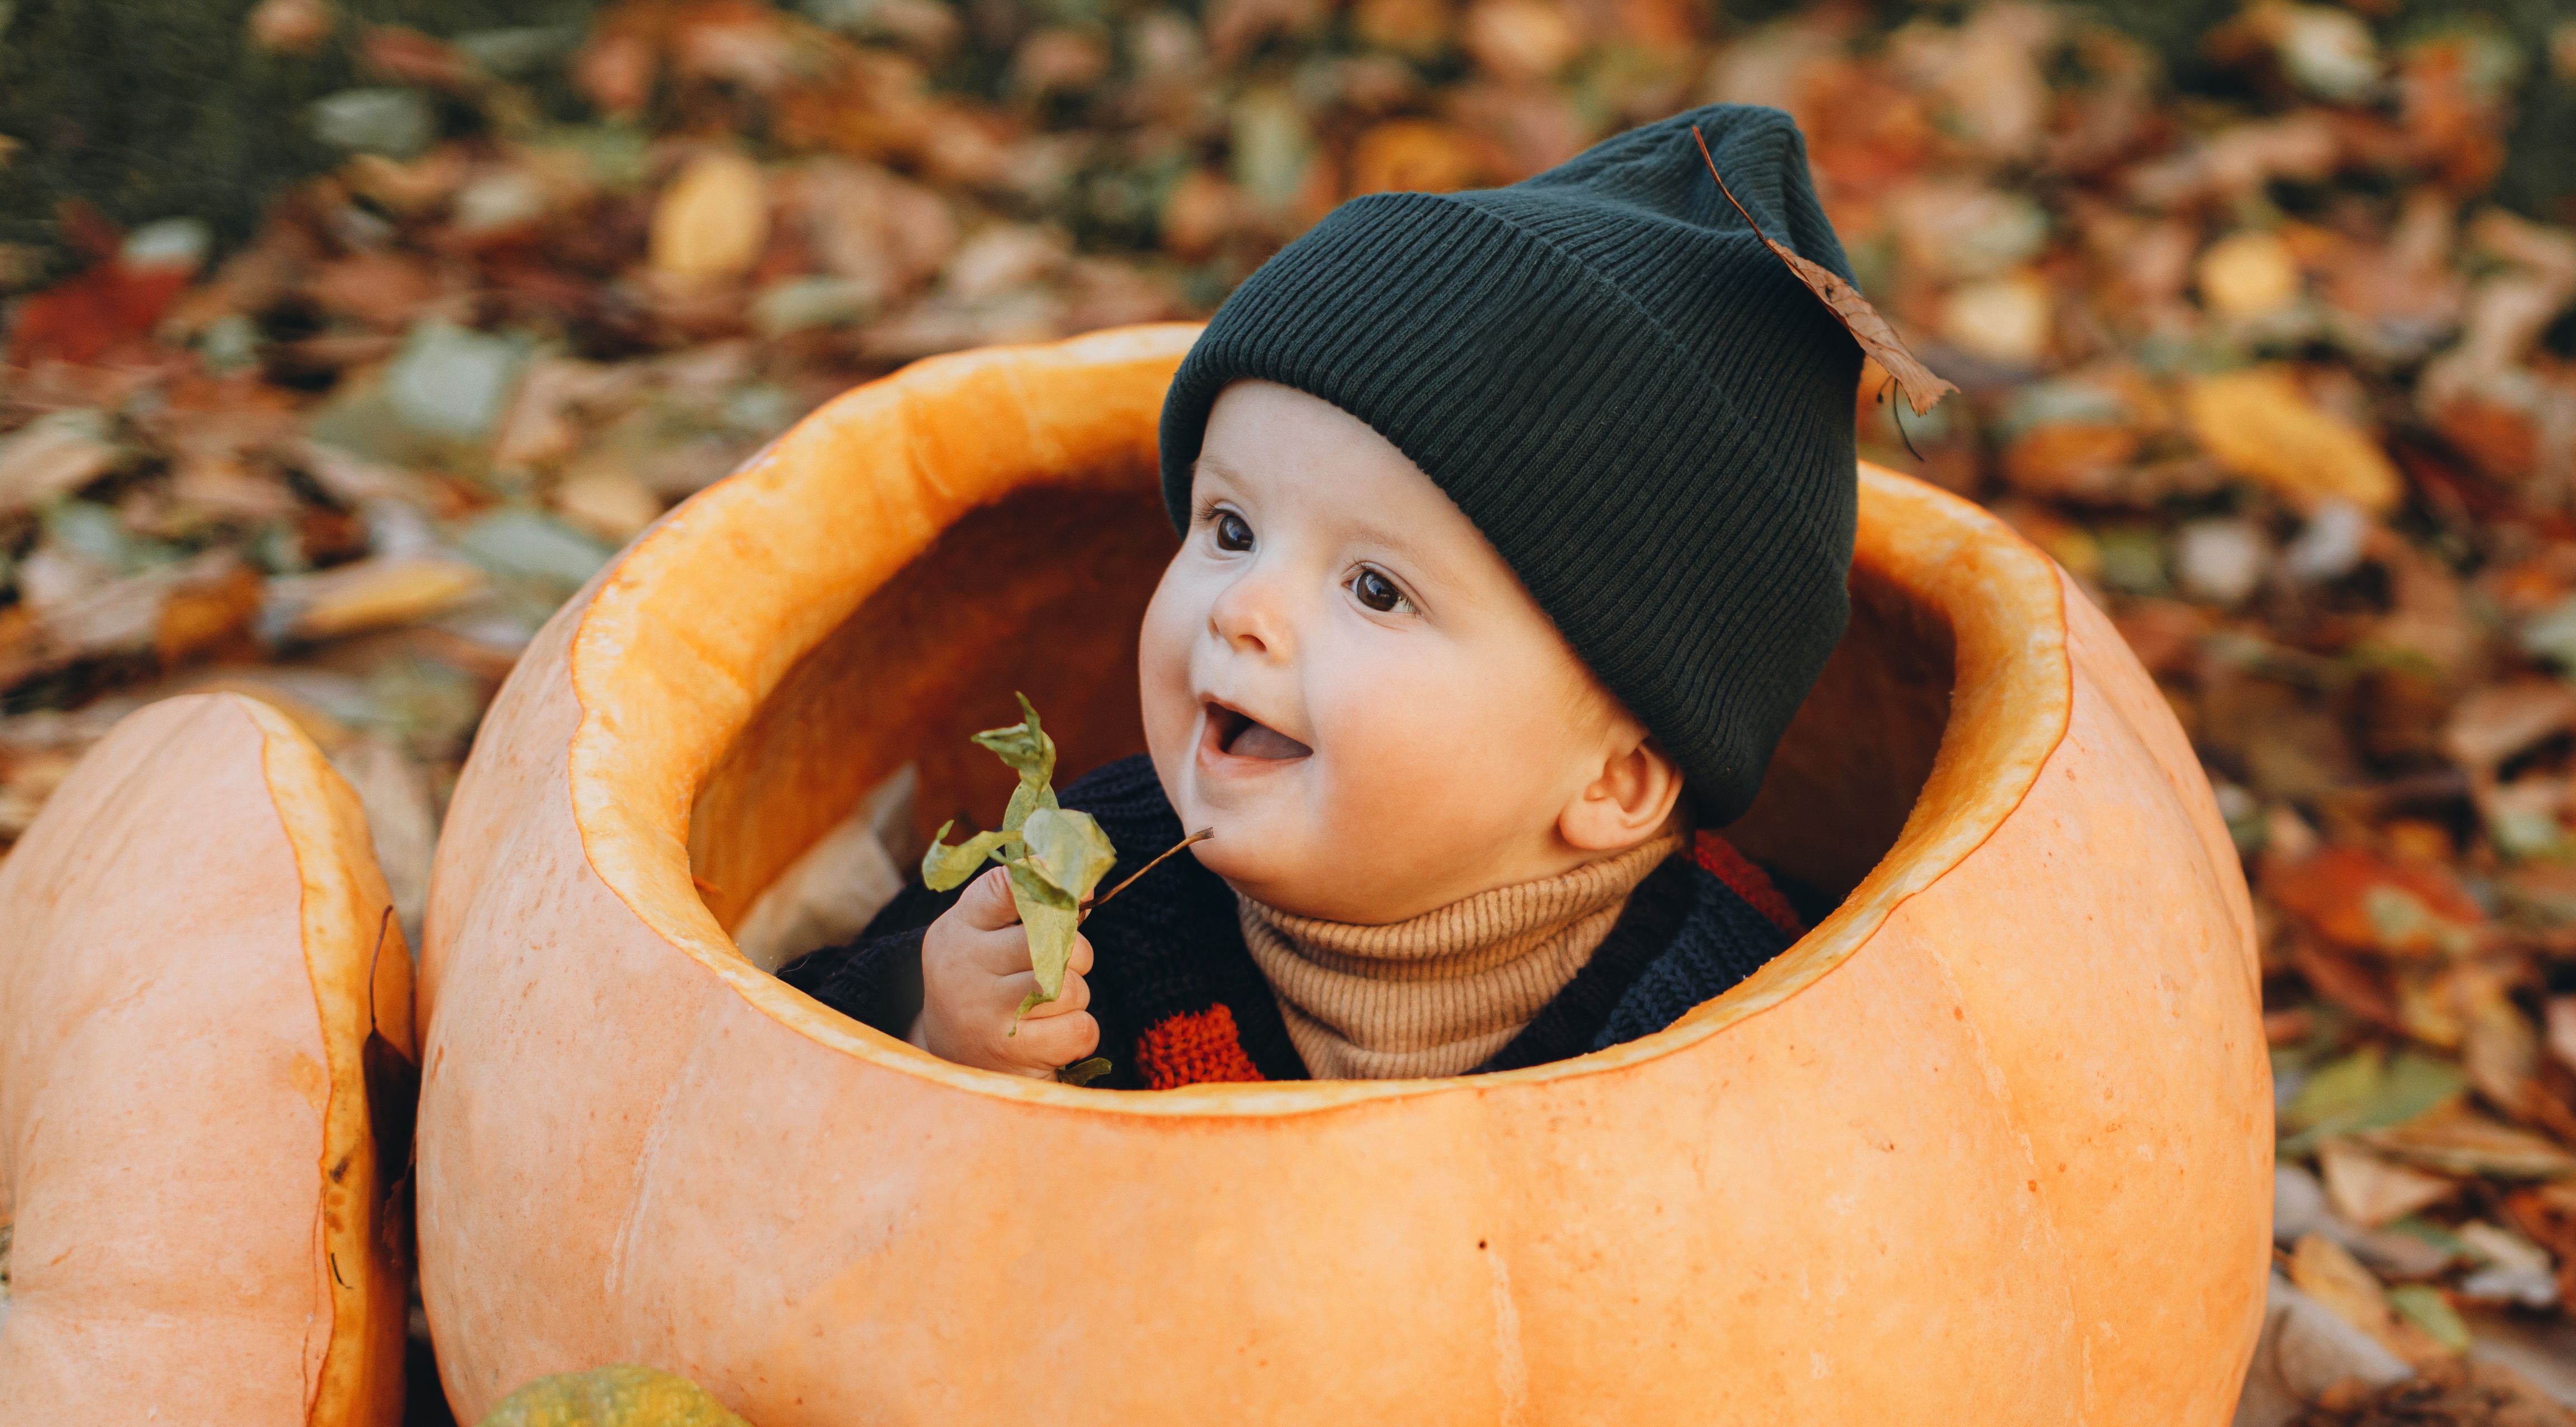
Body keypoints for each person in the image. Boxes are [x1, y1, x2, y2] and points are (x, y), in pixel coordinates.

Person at [784, 103, 1863, 1087]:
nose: (1242, 609)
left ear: (1616, 783)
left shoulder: (1728, 1018)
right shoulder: (1081, 894)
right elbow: (759, 1074)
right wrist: (931, 1031)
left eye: (1378, 590)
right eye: (1232, 529)